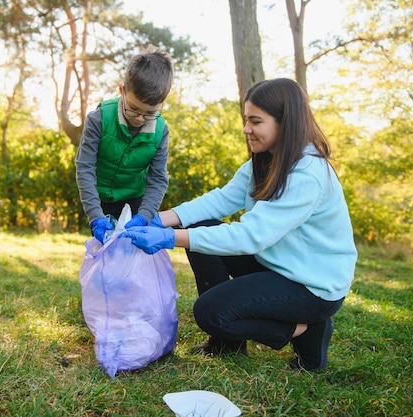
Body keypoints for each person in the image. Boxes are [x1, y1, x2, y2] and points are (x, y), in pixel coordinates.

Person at [121, 78, 358, 371]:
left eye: (256, 121)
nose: (247, 129)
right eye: (246, 119)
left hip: (313, 286)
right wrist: (159, 219)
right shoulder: (266, 160)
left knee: (210, 312)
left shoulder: (307, 174)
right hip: (280, 264)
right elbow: (220, 200)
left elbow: (250, 236)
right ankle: (228, 344)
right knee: (204, 227)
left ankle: (307, 330)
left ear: (286, 122)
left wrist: (171, 237)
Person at [75, 46, 174, 244]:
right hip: (99, 200)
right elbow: (85, 168)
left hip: (135, 201)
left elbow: (157, 179)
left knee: (132, 254)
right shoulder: (99, 119)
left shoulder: (160, 131)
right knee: (105, 255)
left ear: (161, 104)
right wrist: (95, 216)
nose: (139, 118)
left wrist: (145, 215)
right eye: (134, 109)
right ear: (122, 91)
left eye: (149, 113)